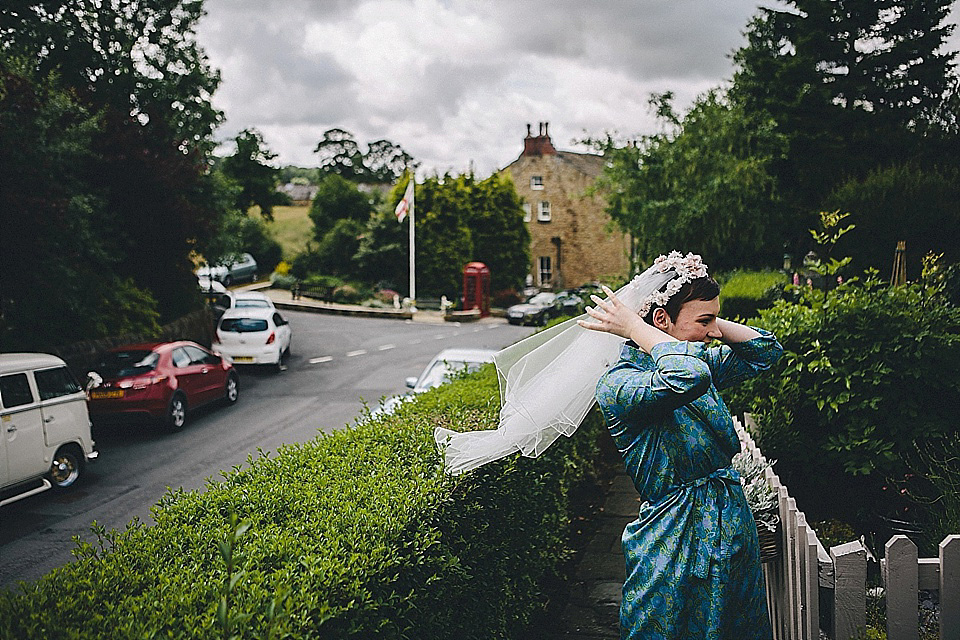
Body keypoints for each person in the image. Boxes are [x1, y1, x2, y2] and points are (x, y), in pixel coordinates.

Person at [577, 256, 782, 639]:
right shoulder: (620, 384)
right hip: (673, 539)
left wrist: (710, 320)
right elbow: (688, 376)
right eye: (704, 322)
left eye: (714, 320)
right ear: (660, 321)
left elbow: (767, 352)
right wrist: (637, 328)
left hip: (731, 527)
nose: (714, 333)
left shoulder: (696, 357)